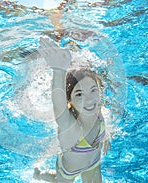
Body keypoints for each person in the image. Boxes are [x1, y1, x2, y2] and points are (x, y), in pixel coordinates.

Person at [33, 36, 111, 183]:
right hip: (68, 171)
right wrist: (59, 71)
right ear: (70, 100)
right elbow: (58, 106)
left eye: (93, 90)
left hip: (93, 164)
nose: (89, 99)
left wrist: (106, 138)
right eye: (79, 94)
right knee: (56, 180)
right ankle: (39, 175)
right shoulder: (70, 127)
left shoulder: (98, 107)